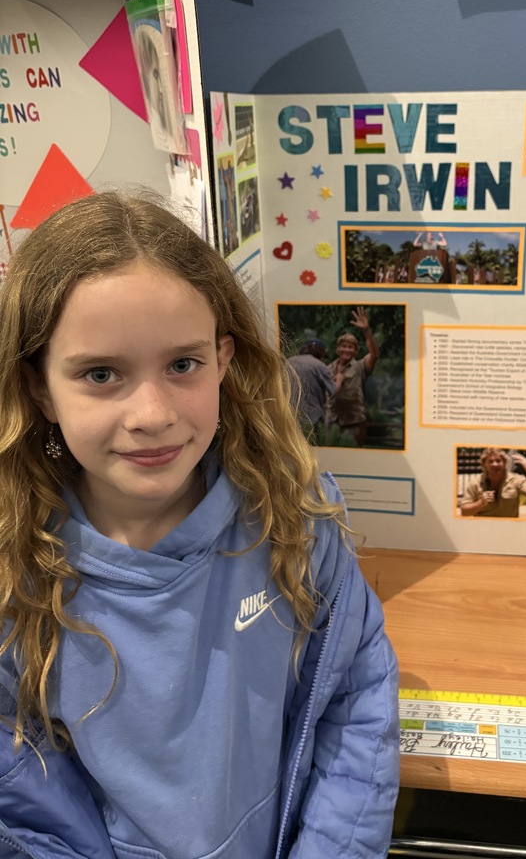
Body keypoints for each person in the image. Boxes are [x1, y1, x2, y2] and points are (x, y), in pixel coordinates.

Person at [0, 193, 399, 858]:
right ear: (40, 388)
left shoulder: (294, 517)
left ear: (223, 359)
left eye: (181, 365)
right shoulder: (15, 567)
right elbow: (20, 793)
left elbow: (355, 697)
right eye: (101, 374)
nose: (152, 413)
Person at [326, 308, 380, 447]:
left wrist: (366, 330)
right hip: (333, 422)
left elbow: (374, 355)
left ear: (355, 351)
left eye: (351, 347)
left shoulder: (360, 366)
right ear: (338, 349)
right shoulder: (328, 369)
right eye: (343, 346)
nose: (347, 350)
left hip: (354, 423)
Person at [460, 448, 526, 518]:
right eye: (490, 461)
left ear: (504, 463)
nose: (495, 464)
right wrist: (480, 503)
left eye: (498, 461)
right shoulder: (475, 482)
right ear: (484, 464)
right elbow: (464, 512)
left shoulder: (516, 480)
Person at [286, 338, 336, 442]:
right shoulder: (319, 365)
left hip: (288, 414)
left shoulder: (288, 362)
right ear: (321, 353)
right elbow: (334, 391)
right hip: (312, 416)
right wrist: (339, 379)